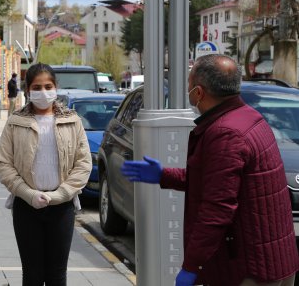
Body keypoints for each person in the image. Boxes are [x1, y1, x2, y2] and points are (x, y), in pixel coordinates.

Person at [121, 54, 299, 286]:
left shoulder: (225, 133)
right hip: (275, 260)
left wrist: (191, 267)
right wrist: (164, 175)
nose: (188, 89)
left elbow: (217, 208)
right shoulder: (249, 117)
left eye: (188, 83)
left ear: (199, 92)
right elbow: (217, 182)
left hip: (247, 269)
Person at [0, 63, 91, 285]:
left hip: (62, 207)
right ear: (28, 90)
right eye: (37, 87)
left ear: (56, 87)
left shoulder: (72, 120)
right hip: (26, 207)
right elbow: (3, 164)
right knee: (32, 274)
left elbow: (83, 164)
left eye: (48, 86)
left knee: (57, 274)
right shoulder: (15, 122)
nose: (43, 91)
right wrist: (28, 194)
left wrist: (58, 195)